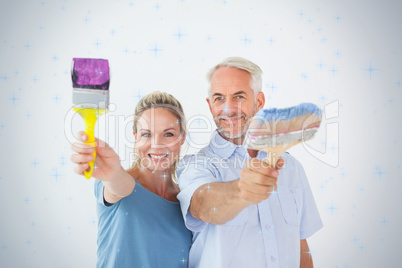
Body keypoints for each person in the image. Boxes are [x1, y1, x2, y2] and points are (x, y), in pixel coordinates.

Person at [177, 57, 323, 268]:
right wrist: (241, 191)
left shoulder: (292, 168)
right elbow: (203, 206)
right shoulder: (196, 165)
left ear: (259, 101)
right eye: (219, 98)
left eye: (239, 96)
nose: (228, 108)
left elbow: (300, 246)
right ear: (210, 105)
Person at [70, 91, 192, 268]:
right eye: (146, 134)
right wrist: (112, 174)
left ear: (182, 138)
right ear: (135, 138)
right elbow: (120, 186)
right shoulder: (117, 183)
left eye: (168, 134)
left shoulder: (188, 202)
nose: (157, 144)